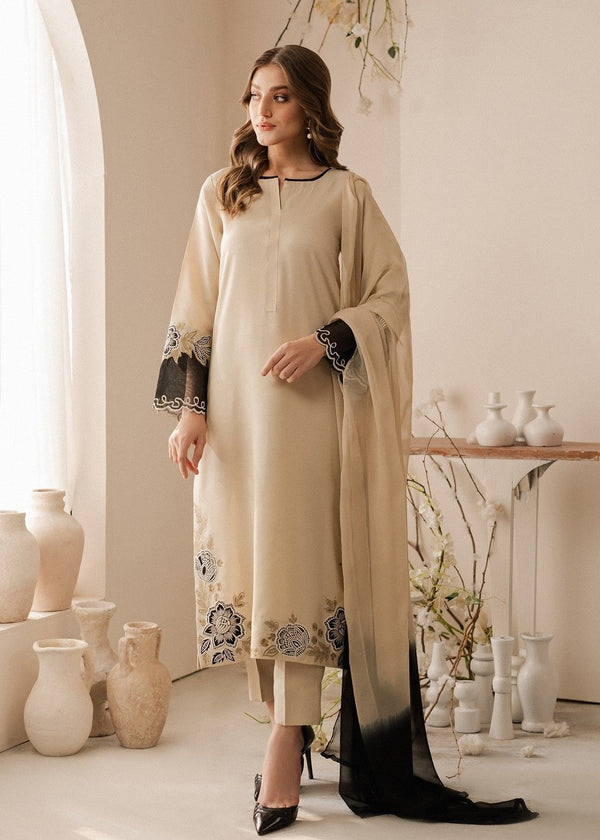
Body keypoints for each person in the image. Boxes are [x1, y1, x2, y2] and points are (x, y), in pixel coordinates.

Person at [155, 45, 536, 836]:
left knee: (297, 572)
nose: (262, 111)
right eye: (254, 96)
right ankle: (287, 727)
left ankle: (283, 741)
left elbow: (389, 293)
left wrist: (323, 339)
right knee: (253, 575)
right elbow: (195, 309)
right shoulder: (222, 194)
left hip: (309, 419)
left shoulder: (345, 195)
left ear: (310, 107)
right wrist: (192, 411)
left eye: (280, 97)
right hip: (236, 419)